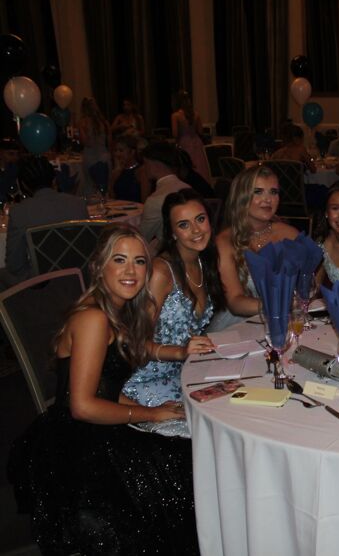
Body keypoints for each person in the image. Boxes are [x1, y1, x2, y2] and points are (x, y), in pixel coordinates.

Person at [7, 224, 199, 554]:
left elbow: (111, 378)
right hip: (80, 441)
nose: (131, 271)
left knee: (184, 448)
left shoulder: (117, 311)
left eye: (139, 261)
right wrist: (149, 414)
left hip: (97, 426)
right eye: (119, 260)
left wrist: (178, 356)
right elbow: (82, 406)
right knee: (180, 468)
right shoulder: (94, 319)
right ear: (99, 267)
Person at [122, 189, 222, 435]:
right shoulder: (161, 272)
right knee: (207, 431)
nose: (196, 230)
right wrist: (179, 352)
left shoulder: (204, 261)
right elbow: (133, 343)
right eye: (184, 225)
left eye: (200, 219)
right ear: (173, 232)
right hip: (146, 379)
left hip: (185, 371)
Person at [209, 165, 300, 331]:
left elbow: (310, 279)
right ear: (241, 197)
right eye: (258, 192)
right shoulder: (224, 241)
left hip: (284, 321)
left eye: (273, 192)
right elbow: (235, 302)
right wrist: (277, 304)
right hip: (237, 325)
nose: (268, 199)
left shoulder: (289, 234)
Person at [0, 156, 88, 289]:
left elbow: (15, 265)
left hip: (41, 283)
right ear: (54, 180)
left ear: (23, 185)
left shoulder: (20, 212)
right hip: (77, 276)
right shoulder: (78, 204)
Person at [138, 142, 192, 246]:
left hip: (170, 250)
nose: (143, 168)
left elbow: (142, 237)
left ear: (154, 165)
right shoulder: (187, 187)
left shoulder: (155, 200)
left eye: (145, 164)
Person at [171, 90, 211, 183]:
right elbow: (200, 131)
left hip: (184, 143)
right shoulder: (196, 114)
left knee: (186, 167)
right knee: (200, 167)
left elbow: (175, 134)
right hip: (196, 143)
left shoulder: (175, 116)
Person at [78, 97, 111, 196]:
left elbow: (86, 142)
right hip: (104, 156)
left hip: (90, 157)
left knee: (90, 188)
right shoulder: (104, 122)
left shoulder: (83, 122)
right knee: (104, 189)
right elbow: (110, 142)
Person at [108, 134, 148, 202]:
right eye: (115, 150)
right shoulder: (116, 172)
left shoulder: (142, 171)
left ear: (132, 152)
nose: (117, 154)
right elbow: (112, 197)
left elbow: (145, 200)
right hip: (118, 207)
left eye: (121, 150)